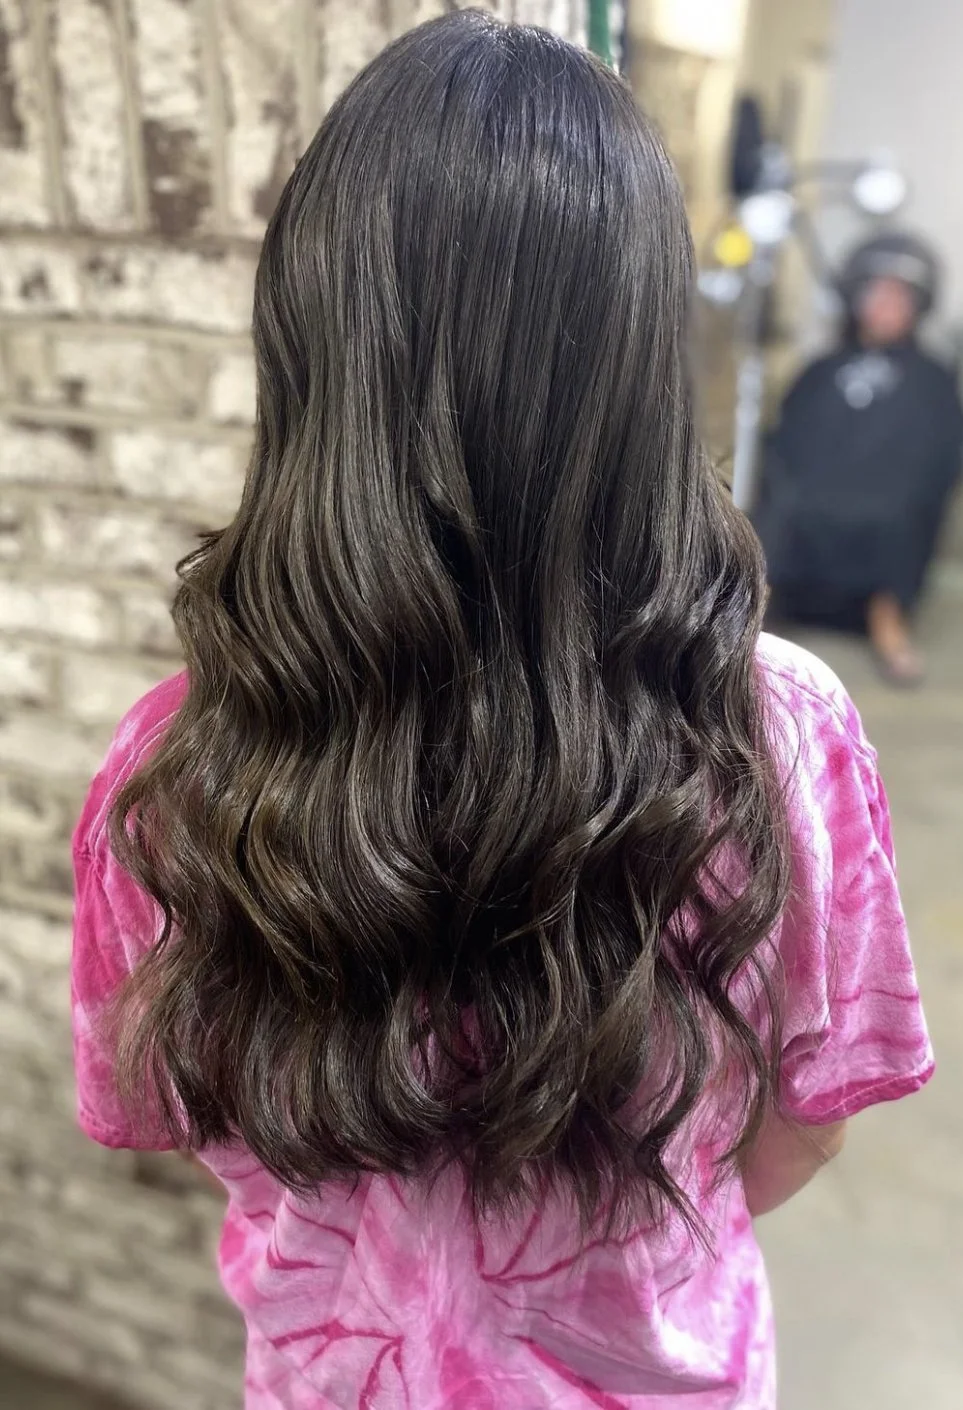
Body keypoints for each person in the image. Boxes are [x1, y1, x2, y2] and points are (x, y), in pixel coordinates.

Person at [71, 15, 933, 1409]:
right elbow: (800, 1129)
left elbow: (177, 1116)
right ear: (640, 358)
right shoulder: (785, 734)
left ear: (309, 343)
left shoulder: (171, 773)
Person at [755, 231, 963, 685]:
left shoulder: (933, 378)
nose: (887, 305)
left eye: (899, 296)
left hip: (889, 499)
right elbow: (790, 439)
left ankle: (887, 620)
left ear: (918, 304)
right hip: (817, 493)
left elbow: (939, 452)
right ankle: (758, 614)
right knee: (781, 506)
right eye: (877, 292)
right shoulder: (821, 369)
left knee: (897, 517)